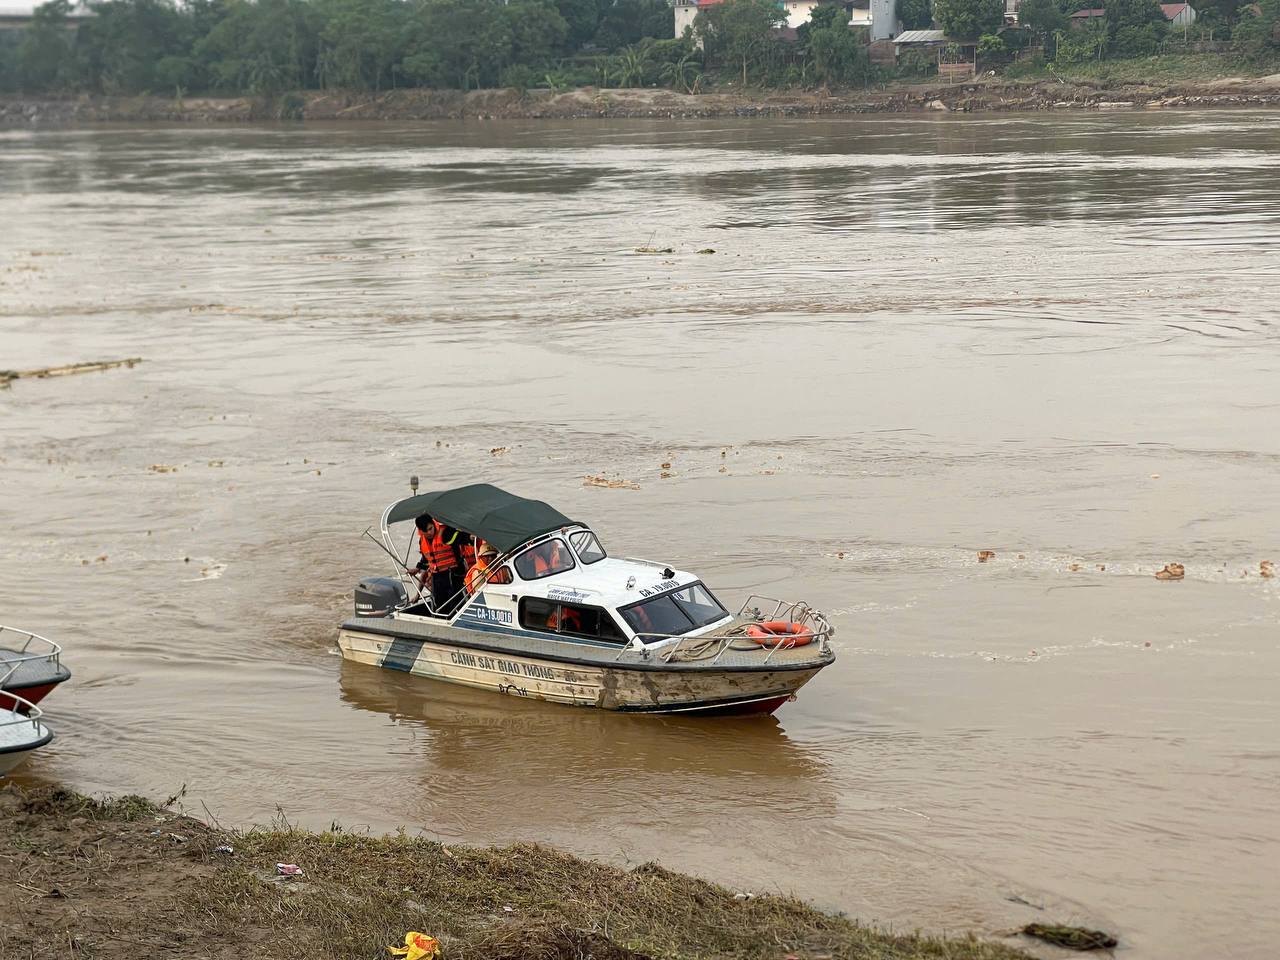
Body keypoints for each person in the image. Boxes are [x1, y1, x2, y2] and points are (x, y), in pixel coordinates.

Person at [414, 514, 464, 616]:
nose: (429, 533)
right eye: (425, 531)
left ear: (433, 524)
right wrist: (417, 568)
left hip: (453, 574)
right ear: (420, 531)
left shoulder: (446, 532)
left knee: (455, 603)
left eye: (430, 529)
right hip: (437, 577)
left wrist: (471, 537)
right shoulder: (422, 541)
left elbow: (463, 538)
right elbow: (426, 559)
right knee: (439, 604)